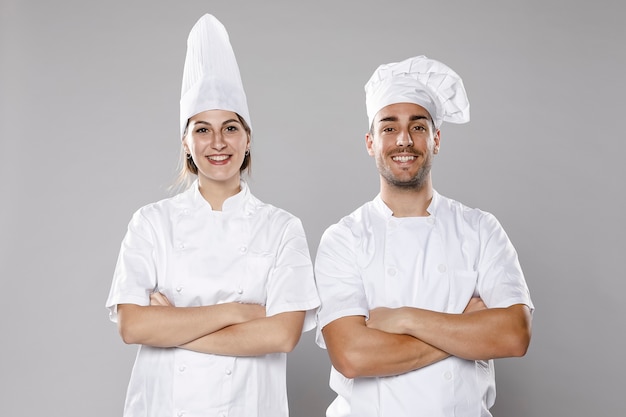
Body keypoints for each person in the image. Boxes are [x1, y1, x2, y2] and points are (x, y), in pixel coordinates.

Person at [105, 14, 320, 417]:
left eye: (231, 128)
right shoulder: (151, 223)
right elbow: (133, 326)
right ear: (185, 141)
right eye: (202, 130)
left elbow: (282, 334)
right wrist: (238, 312)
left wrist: (171, 327)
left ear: (248, 137)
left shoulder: (282, 228)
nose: (217, 143)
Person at [314, 55, 534, 417]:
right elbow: (352, 357)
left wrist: (403, 318)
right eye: (389, 127)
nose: (404, 140)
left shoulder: (479, 228)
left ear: (436, 140)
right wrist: (466, 330)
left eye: (418, 127)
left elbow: (514, 335)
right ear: (370, 142)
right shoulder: (344, 238)